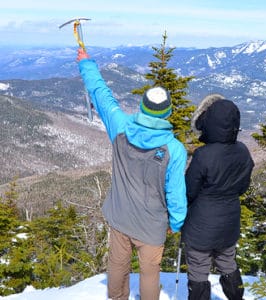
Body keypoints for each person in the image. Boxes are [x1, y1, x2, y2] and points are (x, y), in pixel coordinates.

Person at [76, 48, 188, 300]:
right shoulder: (174, 149)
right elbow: (176, 192)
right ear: (168, 112)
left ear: (142, 107)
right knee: (150, 274)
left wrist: (86, 64)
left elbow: (101, 95)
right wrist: (176, 222)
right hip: (152, 224)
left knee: (117, 266)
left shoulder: (120, 127)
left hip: (120, 216)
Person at [181, 94, 254, 300]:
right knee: (228, 263)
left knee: (198, 268)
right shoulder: (243, 151)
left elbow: (189, 190)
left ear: (209, 122)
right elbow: (243, 187)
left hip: (201, 225)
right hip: (229, 220)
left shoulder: (204, 154)